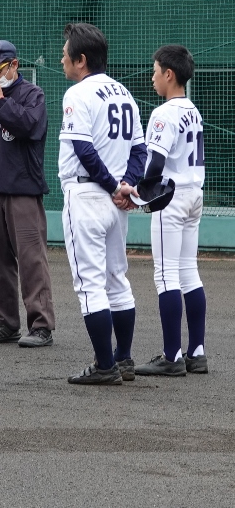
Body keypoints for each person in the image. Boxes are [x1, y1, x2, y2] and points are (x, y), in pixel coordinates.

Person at [58, 22, 147, 385]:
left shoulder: (77, 93)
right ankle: (123, 359)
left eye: (66, 54)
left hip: (88, 196)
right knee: (116, 279)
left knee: (90, 285)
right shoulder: (124, 93)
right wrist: (127, 186)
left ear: (81, 60)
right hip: (116, 203)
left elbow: (84, 149)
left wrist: (114, 186)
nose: (62, 60)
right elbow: (140, 151)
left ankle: (105, 366)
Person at [0, 40, 55, 348]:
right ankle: (5, 322)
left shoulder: (33, 95)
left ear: (14, 65)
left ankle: (41, 325)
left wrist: (0, 103)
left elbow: (30, 127)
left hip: (22, 191)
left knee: (32, 260)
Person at [134, 45, 209, 377]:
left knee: (166, 274)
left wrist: (140, 193)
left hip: (172, 197)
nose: (152, 77)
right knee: (189, 270)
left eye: (155, 71)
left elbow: (156, 162)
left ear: (169, 74)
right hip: (194, 194)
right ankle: (197, 352)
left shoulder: (164, 113)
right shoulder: (193, 109)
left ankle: (171, 356)